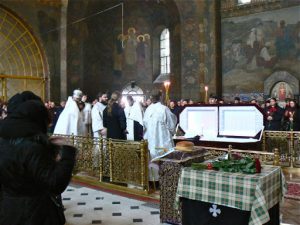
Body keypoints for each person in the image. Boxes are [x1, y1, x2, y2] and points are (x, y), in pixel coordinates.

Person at [0, 91, 76, 225]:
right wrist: (68, 152)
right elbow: (55, 184)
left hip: (9, 209)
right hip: (35, 212)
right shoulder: (31, 147)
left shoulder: (5, 139)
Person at [143, 91, 177, 181]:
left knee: (153, 158)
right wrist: (172, 131)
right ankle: (166, 179)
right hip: (163, 140)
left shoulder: (148, 109)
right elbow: (171, 124)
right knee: (164, 156)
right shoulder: (164, 109)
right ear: (161, 97)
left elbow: (145, 124)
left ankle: (154, 180)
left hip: (151, 141)